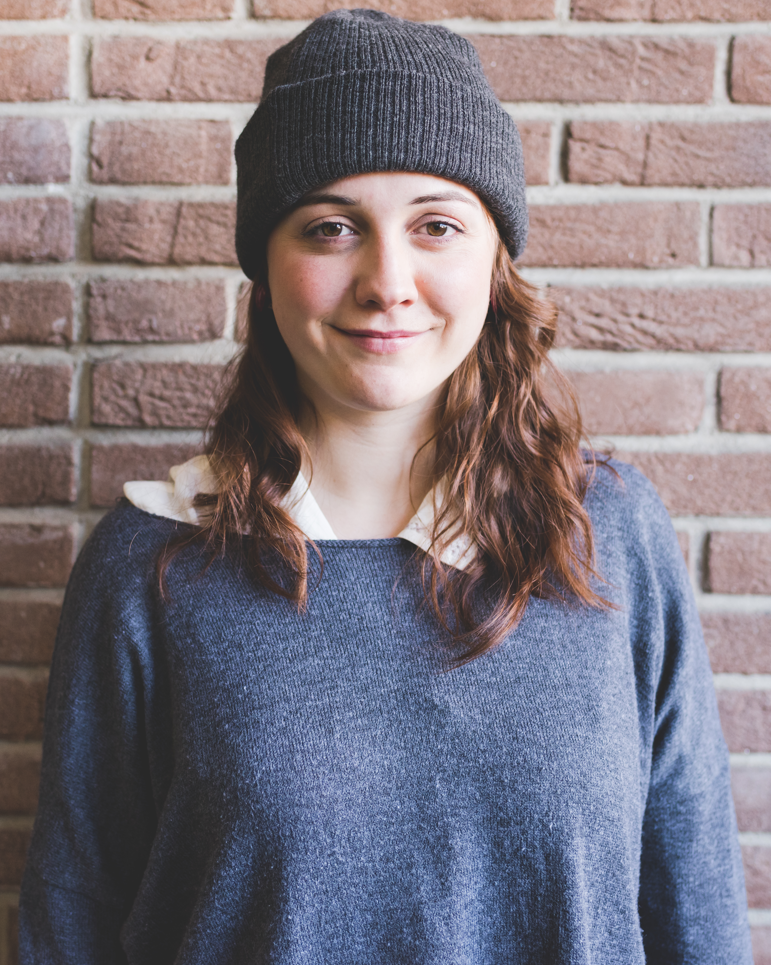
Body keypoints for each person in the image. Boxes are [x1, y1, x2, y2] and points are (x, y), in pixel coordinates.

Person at [19, 9, 752, 963]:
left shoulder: (607, 535)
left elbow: (697, 919)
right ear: (265, 264)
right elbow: (68, 927)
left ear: (495, 259)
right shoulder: (149, 563)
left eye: (436, 225)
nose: (386, 280)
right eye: (331, 228)